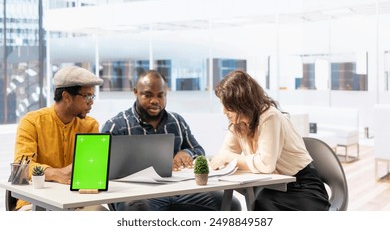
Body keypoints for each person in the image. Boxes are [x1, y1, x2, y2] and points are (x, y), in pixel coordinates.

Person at [101, 70, 242, 211]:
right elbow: (100, 167)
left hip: (179, 191)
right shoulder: (116, 126)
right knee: (135, 208)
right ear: (136, 92)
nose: (155, 101)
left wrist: (186, 153)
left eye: (160, 95)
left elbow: (198, 151)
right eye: (148, 95)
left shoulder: (177, 121)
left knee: (230, 204)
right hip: (137, 194)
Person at [210, 70, 331, 211]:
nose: (224, 111)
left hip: (302, 186)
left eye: (228, 106)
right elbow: (224, 154)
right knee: (259, 202)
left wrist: (232, 159)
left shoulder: (269, 116)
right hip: (273, 186)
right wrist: (254, 164)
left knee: (262, 204)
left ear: (242, 102)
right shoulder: (239, 124)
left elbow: (265, 164)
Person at [13, 66, 106, 211]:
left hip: (75, 202)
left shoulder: (90, 125)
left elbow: (91, 169)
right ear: (67, 97)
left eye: (92, 96)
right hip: (34, 203)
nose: (91, 102)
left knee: (100, 214)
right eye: (87, 96)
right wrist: (57, 174)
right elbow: (22, 168)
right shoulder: (31, 122)